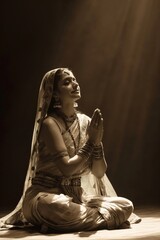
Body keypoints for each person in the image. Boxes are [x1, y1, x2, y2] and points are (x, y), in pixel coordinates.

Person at [0, 68, 141, 233]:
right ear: (55, 94)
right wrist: (91, 141)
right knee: (54, 206)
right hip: (44, 197)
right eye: (66, 82)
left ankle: (60, 223)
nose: (74, 84)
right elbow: (67, 169)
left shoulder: (86, 122)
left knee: (125, 205)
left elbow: (99, 172)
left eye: (74, 80)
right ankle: (104, 220)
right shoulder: (50, 123)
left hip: (77, 200)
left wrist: (97, 144)